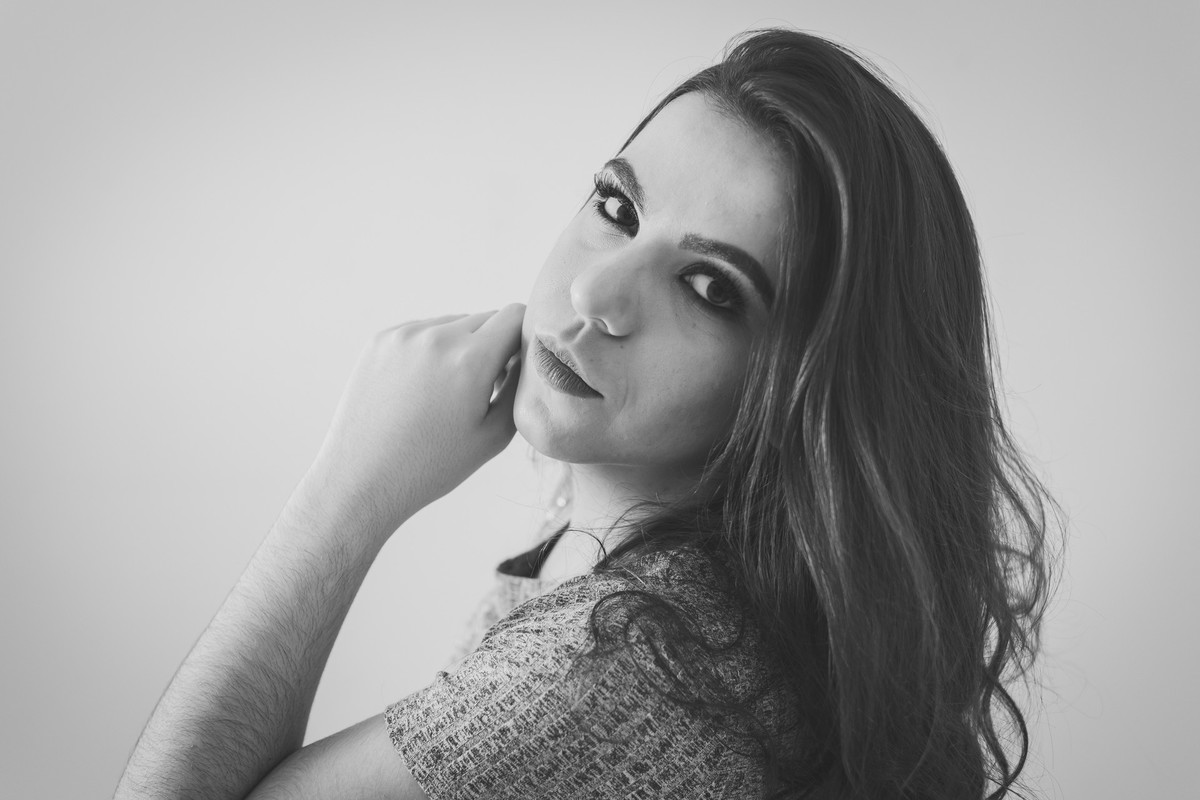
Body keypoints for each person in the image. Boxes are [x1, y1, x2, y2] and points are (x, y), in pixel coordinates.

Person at [114, 28, 1054, 800]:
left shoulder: (628, 666)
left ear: (808, 391)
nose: (596, 292)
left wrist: (345, 497)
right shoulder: (676, 603)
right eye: (616, 207)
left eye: (709, 287)